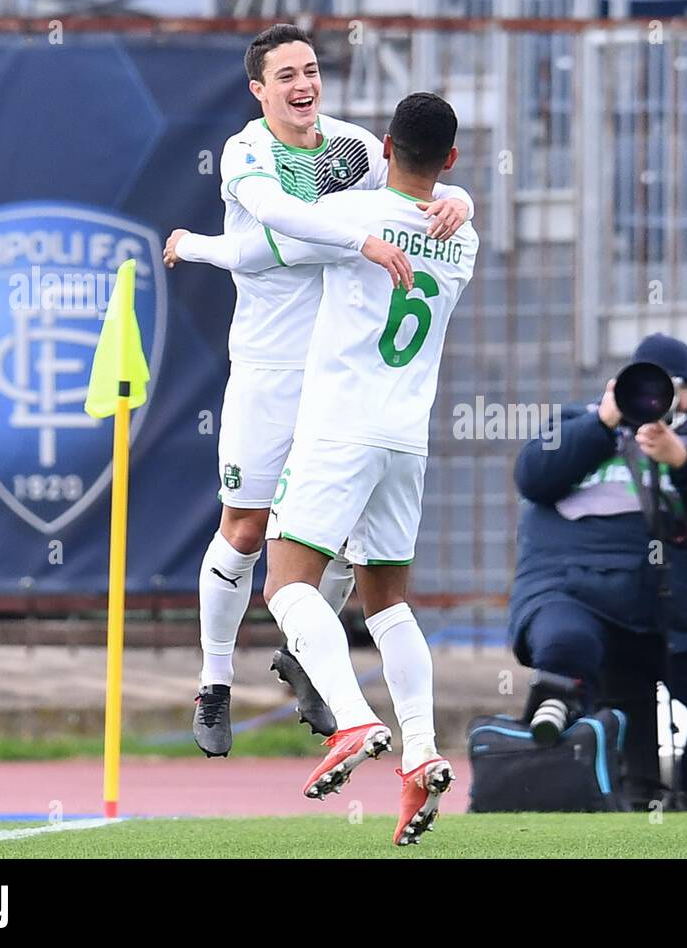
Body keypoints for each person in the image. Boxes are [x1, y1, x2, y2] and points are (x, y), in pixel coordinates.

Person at [167, 92, 478, 846]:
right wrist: (460, 199)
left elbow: (262, 244)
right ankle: (423, 751)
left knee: (285, 584)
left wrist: (191, 244)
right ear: (451, 159)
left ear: (383, 146)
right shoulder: (462, 238)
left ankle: (354, 721)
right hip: (409, 440)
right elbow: (447, 201)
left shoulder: (356, 220)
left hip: (341, 429)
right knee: (389, 605)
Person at [508, 334, 687, 809]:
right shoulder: (574, 423)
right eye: (641, 385)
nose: (654, 398)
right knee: (566, 642)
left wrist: (679, 459)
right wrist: (603, 422)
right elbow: (533, 477)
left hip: (675, 614)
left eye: (671, 387)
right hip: (577, 595)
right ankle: (549, 731)